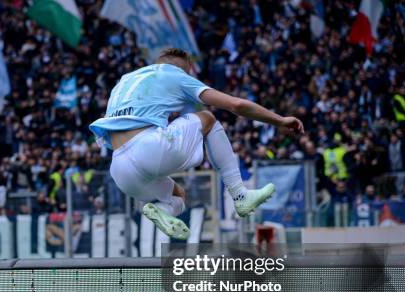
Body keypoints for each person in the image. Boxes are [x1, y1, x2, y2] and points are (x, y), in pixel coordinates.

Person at [89, 48, 304, 239]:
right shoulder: (175, 75)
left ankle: (165, 211)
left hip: (119, 169)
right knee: (208, 118)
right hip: (148, 148)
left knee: (178, 195)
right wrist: (280, 120)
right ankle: (240, 195)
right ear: (185, 69)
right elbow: (236, 105)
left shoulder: (125, 81)